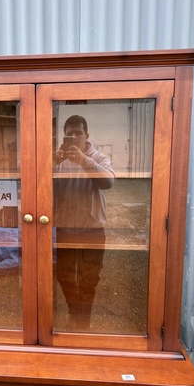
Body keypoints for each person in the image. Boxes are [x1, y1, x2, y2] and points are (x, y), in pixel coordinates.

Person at [53, 114, 115, 330]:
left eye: (78, 132)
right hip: (65, 228)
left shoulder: (98, 157)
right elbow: (37, 184)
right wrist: (50, 163)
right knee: (65, 276)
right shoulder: (58, 159)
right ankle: (74, 312)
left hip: (93, 229)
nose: (74, 137)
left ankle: (84, 319)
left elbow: (108, 182)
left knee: (89, 278)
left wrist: (84, 160)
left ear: (86, 135)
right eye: (69, 134)